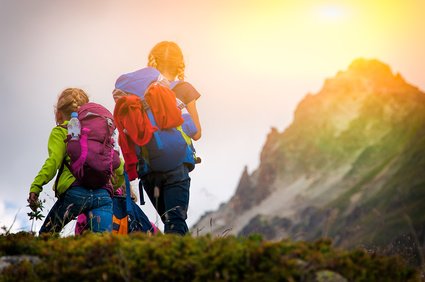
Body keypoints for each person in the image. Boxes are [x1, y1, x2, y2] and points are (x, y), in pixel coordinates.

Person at [113, 41, 202, 235]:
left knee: (167, 220)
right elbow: (197, 132)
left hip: (147, 166)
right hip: (177, 164)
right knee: (175, 221)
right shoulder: (184, 88)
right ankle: (181, 263)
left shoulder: (135, 87)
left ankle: (168, 259)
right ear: (180, 63)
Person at [27, 88, 118, 234]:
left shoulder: (61, 131)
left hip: (75, 192)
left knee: (47, 235)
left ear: (58, 113)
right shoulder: (98, 135)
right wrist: (113, 188)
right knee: (102, 244)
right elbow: (119, 166)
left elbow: (53, 162)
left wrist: (36, 186)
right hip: (103, 195)